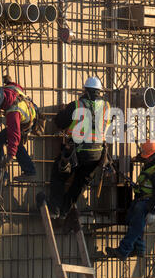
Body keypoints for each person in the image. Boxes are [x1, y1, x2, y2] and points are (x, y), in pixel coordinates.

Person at [36, 76, 111, 219]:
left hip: (77, 152)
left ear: (85, 90)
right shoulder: (107, 107)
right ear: (100, 92)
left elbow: (60, 121)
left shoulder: (77, 105)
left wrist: (63, 112)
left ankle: (55, 210)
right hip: (96, 155)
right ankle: (64, 211)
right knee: (79, 185)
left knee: (59, 176)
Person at [105, 140, 155, 260]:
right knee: (131, 219)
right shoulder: (154, 160)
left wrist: (153, 212)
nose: (145, 159)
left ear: (153, 155)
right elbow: (141, 158)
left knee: (136, 226)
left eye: (147, 157)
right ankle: (138, 248)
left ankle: (123, 250)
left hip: (148, 202)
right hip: (140, 200)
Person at [0, 75, 37, 183]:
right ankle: (29, 171)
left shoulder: (12, 112)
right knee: (14, 142)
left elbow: (14, 134)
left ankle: (1, 176)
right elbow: (16, 86)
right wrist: (8, 82)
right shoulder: (9, 90)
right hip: (32, 111)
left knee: (1, 141)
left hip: (25, 123)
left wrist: (9, 157)